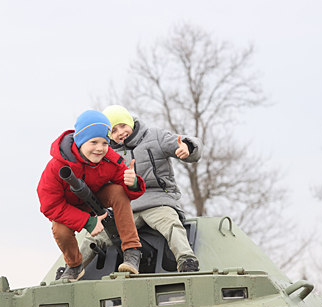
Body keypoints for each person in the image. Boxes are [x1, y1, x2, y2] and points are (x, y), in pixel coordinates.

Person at [37, 110, 145, 281]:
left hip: (96, 199)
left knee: (118, 191)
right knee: (60, 229)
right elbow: (49, 205)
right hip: (69, 208)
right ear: (80, 141)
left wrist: (133, 183)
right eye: (93, 142)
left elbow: (127, 186)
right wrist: (87, 221)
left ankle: (132, 251)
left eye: (105, 143)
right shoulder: (56, 167)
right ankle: (74, 266)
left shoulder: (109, 159)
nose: (100, 148)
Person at [102, 104, 202, 272]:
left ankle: (187, 261)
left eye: (123, 126)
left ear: (131, 123)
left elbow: (185, 143)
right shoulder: (108, 154)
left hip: (158, 200)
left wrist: (187, 147)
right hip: (128, 206)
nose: (120, 132)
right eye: (114, 130)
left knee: (171, 225)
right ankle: (72, 268)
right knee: (98, 233)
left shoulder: (154, 136)